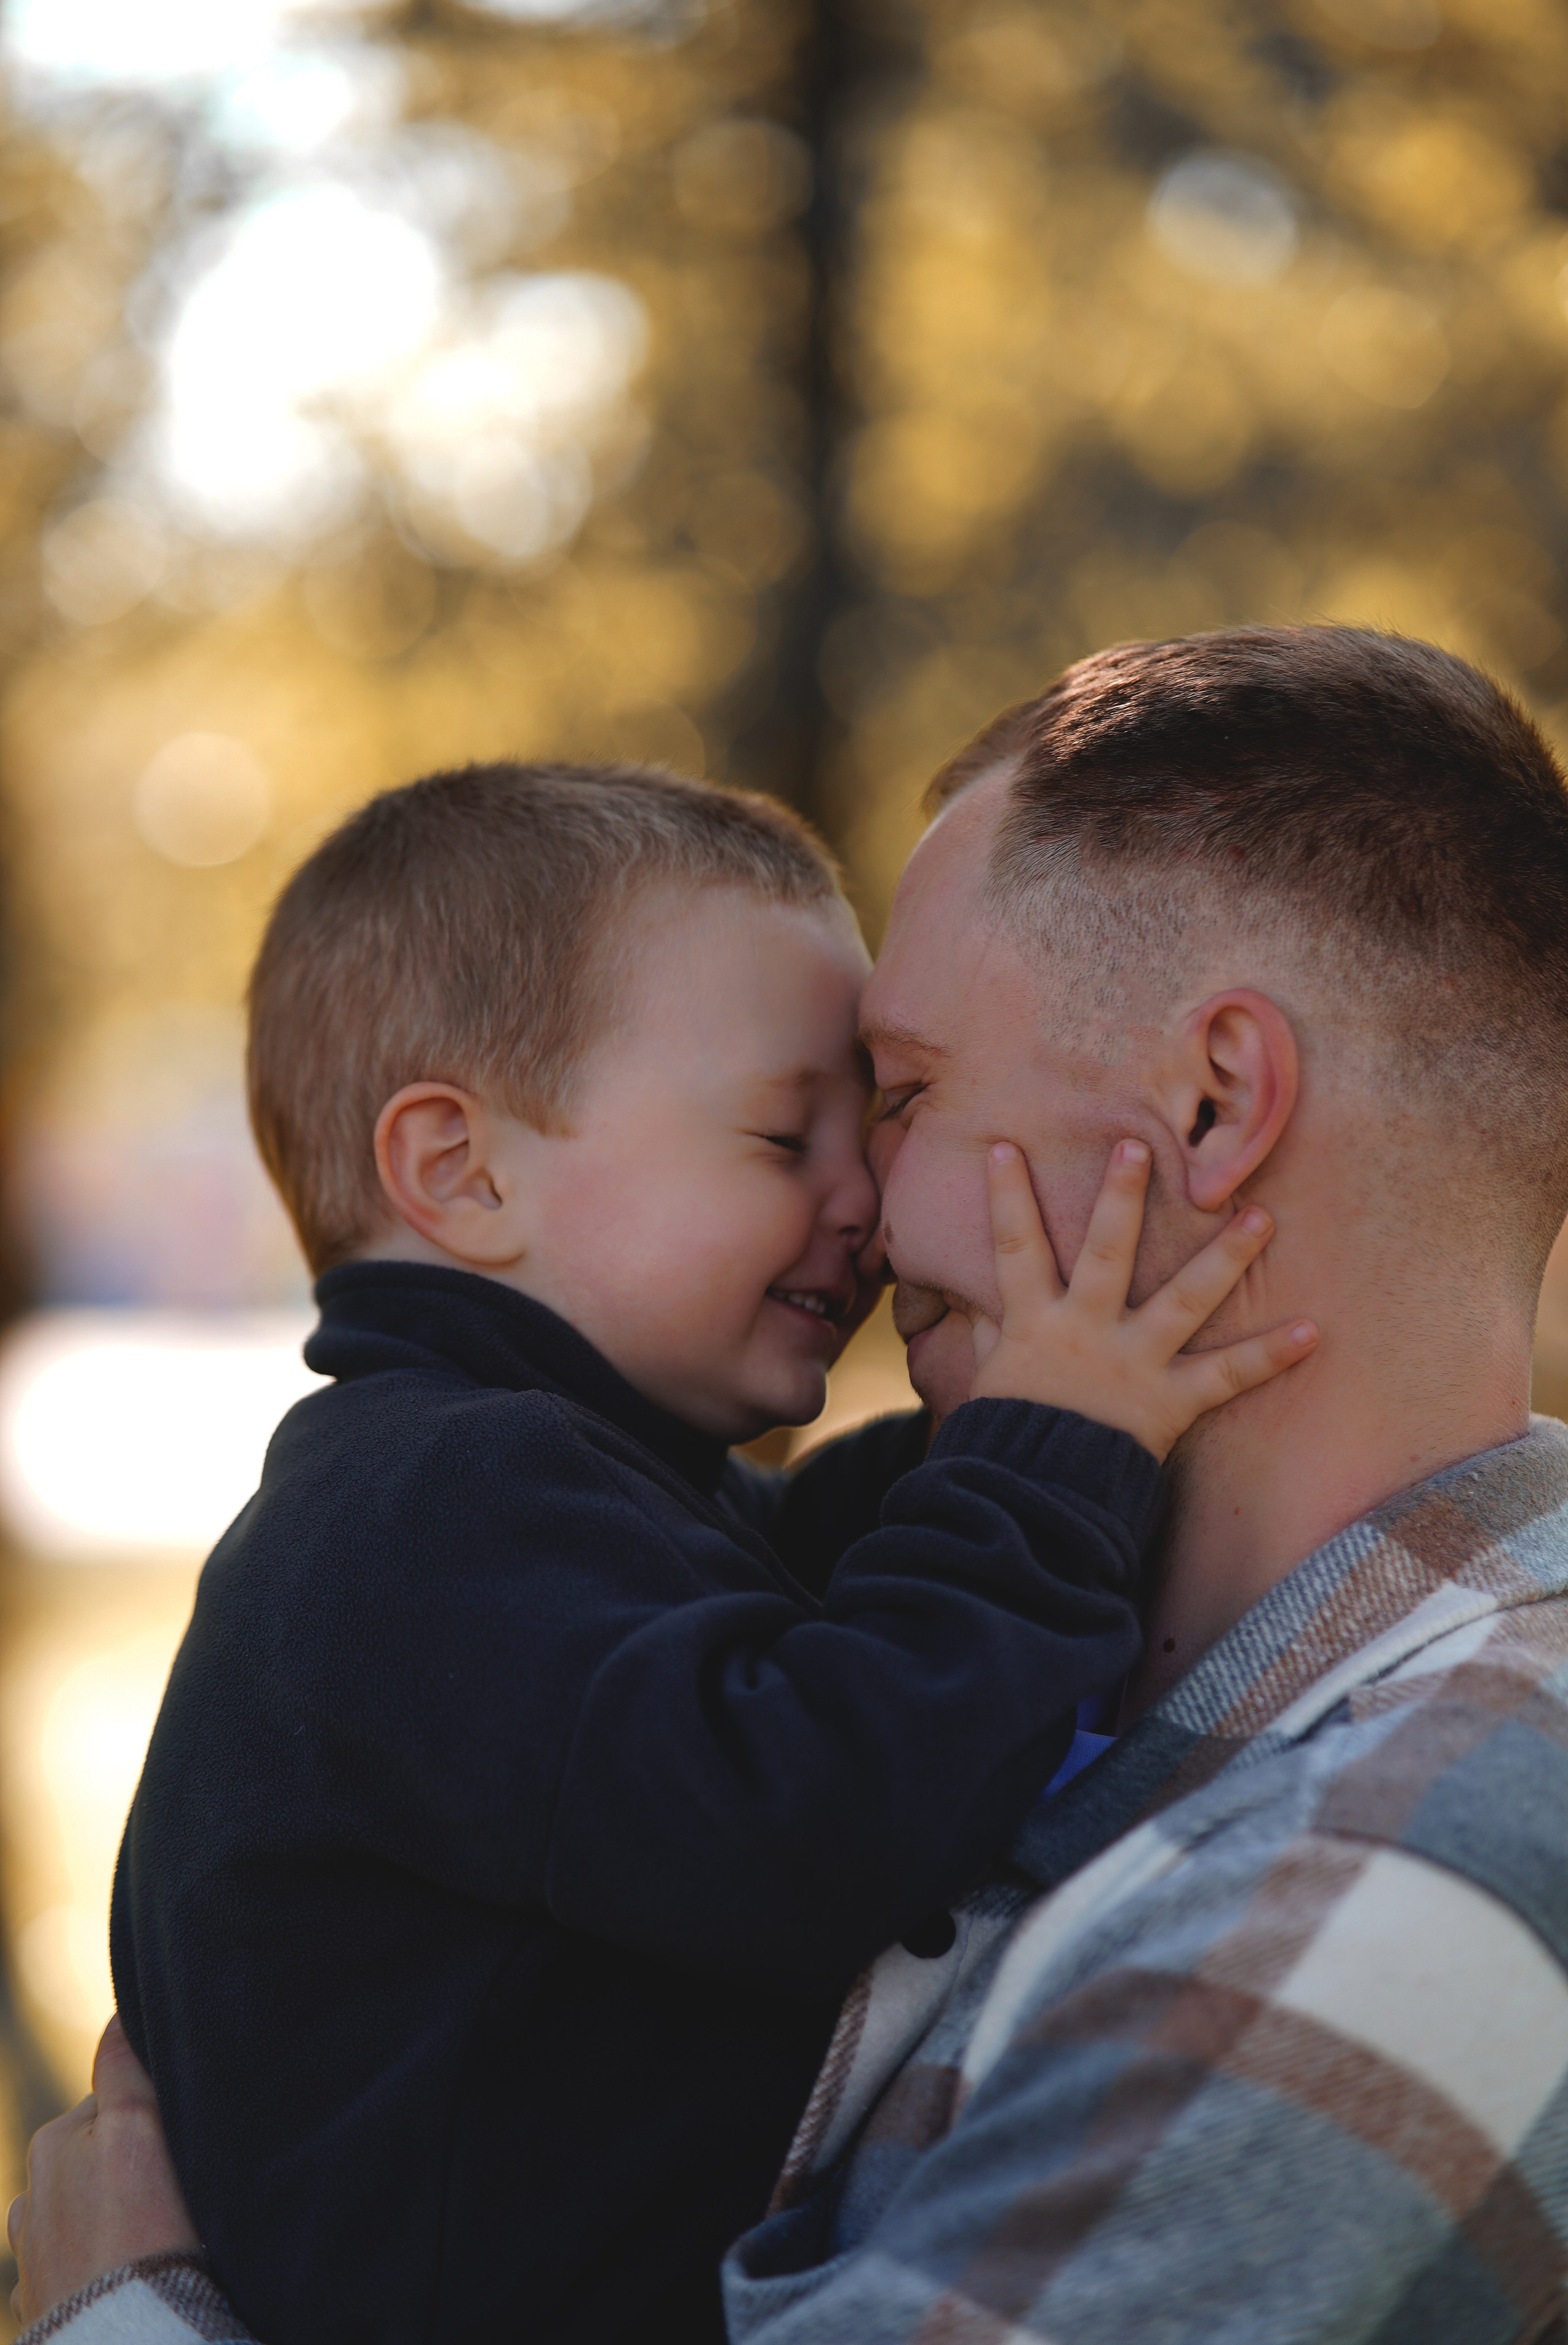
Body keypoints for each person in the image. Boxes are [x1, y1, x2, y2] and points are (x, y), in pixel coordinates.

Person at [15, 622, 1564, 2345]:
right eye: (795, 1132)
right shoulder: (437, 1511)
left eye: (900, 1101)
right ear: (455, 1168)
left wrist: (124, 2320)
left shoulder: (1403, 1863)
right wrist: (1045, 1450)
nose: (866, 1214)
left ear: (1210, 1109)